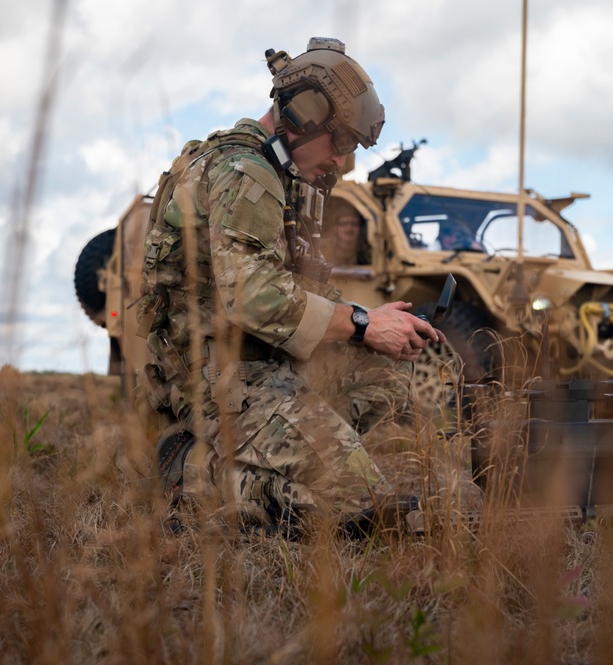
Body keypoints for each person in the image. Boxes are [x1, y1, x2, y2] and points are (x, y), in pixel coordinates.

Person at [138, 37, 444, 533]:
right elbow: (252, 295)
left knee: (387, 375)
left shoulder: (284, 178)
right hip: (217, 379)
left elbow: (297, 284)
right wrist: (362, 323)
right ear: (301, 115)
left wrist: (380, 322)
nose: (344, 163)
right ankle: (191, 469)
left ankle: (289, 445)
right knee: (357, 500)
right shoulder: (246, 173)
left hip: (262, 361)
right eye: (341, 143)